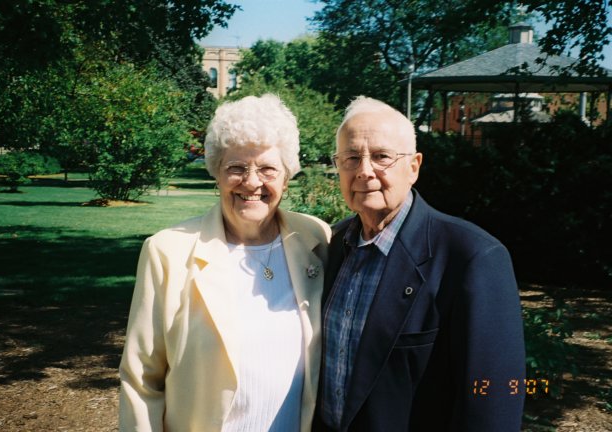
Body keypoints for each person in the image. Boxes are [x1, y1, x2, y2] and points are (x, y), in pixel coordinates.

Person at [119, 94, 331, 431]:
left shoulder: (314, 239)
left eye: (267, 169)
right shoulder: (168, 252)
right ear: (217, 173)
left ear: (286, 177)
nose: (252, 182)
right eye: (236, 168)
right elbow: (141, 378)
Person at [314, 96, 526, 431]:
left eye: (382, 157)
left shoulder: (472, 257)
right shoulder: (330, 244)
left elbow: (495, 396)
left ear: (413, 167)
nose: (364, 171)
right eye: (351, 158)